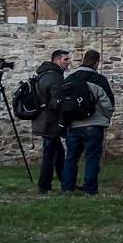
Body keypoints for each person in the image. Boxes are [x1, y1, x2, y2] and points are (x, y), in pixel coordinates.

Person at [59, 49, 115, 195]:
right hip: (93, 125)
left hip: (73, 125)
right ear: (97, 63)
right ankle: (90, 190)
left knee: (71, 157)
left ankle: (67, 187)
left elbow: (63, 104)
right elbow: (108, 105)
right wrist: (105, 119)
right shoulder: (99, 80)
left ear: (83, 60)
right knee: (91, 158)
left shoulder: (70, 79)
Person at [29, 49, 71, 193]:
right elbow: (57, 102)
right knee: (50, 154)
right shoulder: (55, 78)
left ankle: (65, 182)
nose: (69, 62)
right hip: (50, 122)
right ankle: (44, 185)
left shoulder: (42, 75)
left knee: (58, 152)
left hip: (42, 119)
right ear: (57, 61)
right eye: (66, 59)